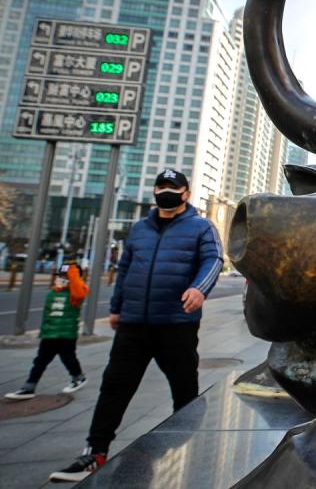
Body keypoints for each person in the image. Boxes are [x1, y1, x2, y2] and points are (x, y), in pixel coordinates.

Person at [50, 168, 223, 482]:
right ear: (154, 191)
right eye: (161, 186)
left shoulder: (201, 227)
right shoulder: (139, 229)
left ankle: (191, 444)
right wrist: (116, 309)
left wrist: (200, 288)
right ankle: (95, 452)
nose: (165, 191)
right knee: (114, 387)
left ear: (185, 193)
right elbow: (126, 269)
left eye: (172, 187)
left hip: (176, 324)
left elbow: (213, 260)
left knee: (185, 391)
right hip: (133, 325)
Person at [4, 261, 89, 400]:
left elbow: (79, 292)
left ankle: (78, 377)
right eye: (60, 275)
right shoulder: (53, 293)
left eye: (65, 276)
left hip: (66, 334)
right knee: (40, 361)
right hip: (49, 334)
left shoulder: (75, 295)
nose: (61, 278)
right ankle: (29, 387)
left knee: (69, 359)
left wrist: (73, 271)